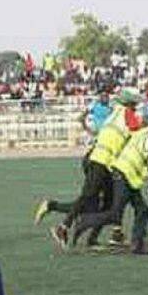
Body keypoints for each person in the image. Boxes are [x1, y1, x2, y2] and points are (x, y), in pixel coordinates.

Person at [71, 113, 148, 255]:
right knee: (115, 214)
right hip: (125, 176)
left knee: (142, 210)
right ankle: (84, 222)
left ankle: (137, 245)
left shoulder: (141, 133)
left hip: (126, 176)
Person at [49, 88, 143, 250]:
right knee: (88, 196)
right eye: (135, 104)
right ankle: (63, 227)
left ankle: (96, 238)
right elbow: (137, 128)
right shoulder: (127, 114)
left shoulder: (115, 112)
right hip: (102, 160)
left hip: (103, 161)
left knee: (106, 201)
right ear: (129, 103)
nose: (136, 107)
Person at [34, 86, 115, 225]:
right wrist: (90, 130)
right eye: (103, 94)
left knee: (92, 202)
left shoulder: (112, 109)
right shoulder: (95, 106)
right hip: (98, 155)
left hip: (101, 154)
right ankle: (58, 211)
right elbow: (81, 117)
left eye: (107, 94)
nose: (105, 97)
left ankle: (54, 208)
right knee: (91, 202)